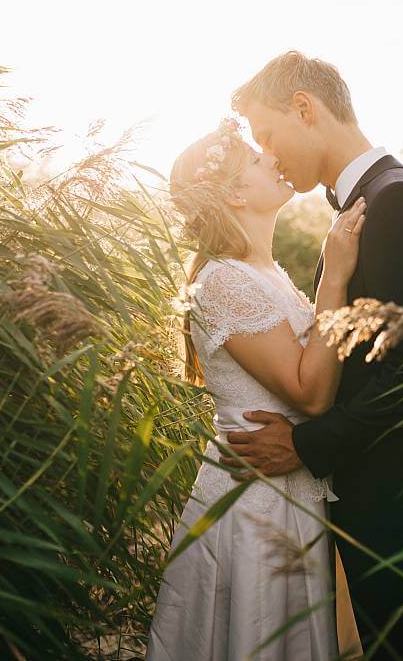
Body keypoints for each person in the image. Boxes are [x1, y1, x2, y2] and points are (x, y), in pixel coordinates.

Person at [222, 51, 403, 660]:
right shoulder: (377, 201)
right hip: (380, 486)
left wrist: (305, 445)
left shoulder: (396, 204)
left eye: (268, 136)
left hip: (399, 492)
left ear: (305, 109)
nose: (270, 156)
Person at [147, 117, 366, 660]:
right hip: (255, 501)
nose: (273, 156)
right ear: (236, 192)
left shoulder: (261, 272)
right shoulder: (223, 281)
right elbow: (310, 393)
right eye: (256, 155)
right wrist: (335, 278)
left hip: (288, 486)